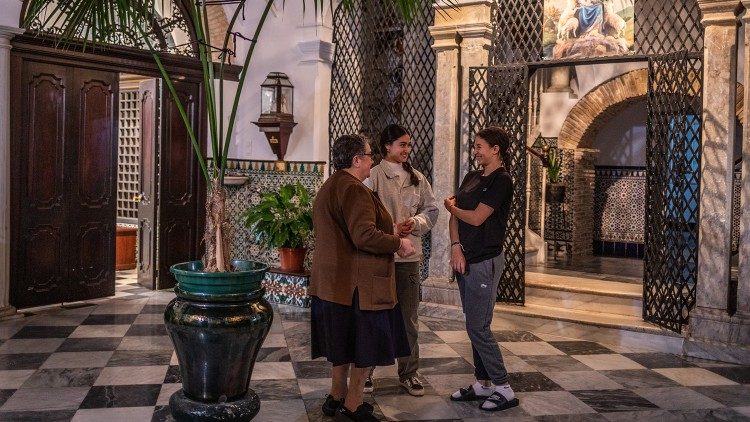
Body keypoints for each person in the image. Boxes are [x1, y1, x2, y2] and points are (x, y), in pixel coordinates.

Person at [309, 134, 416, 421]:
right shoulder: (355, 189)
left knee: (341, 344)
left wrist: (390, 227)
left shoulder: (331, 185)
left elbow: (349, 228)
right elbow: (363, 235)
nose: (372, 160)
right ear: (357, 160)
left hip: (334, 285)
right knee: (363, 347)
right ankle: (354, 405)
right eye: (369, 155)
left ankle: (336, 396)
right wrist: (398, 243)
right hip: (359, 286)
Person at [443, 126, 519, 412]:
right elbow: (457, 217)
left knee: (479, 327)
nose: (475, 151)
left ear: (495, 149)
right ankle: (482, 383)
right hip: (465, 259)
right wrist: (455, 246)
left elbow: (474, 218)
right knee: (473, 325)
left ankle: (503, 387)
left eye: (479, 146)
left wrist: (452, 210)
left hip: (485, 261)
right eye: (474, 146)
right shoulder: (472, 177)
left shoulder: (503, 181)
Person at [363, 124, 438, 396]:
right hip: (379, 258)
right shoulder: (372, 177)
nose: (407, 149)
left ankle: (409, 373)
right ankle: (366, 372)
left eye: (409, 144)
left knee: (409, 319)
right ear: (387, 146)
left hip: (408, 258)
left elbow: (431, 210)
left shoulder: (417, 178)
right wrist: (391, 228)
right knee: (374, 317)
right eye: (402, 144)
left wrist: (414, 222)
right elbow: (363, 215)